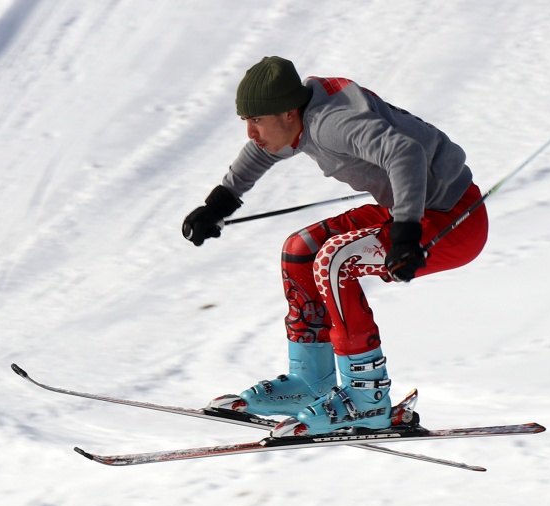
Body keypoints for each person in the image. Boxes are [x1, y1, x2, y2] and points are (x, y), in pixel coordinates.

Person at [183, 56, 489, 437]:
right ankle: (311, 380)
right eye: (247, 120)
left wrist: (407, 233)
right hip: (406, 210)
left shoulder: (331, 124)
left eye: (257, 120)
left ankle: (367, 401)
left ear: (290, 113)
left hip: (453, 220)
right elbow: (263, 149)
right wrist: (221, 202)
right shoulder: (302, 113)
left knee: (335, 259)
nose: (250, 132)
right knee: (301, 249)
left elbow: (404, 153)